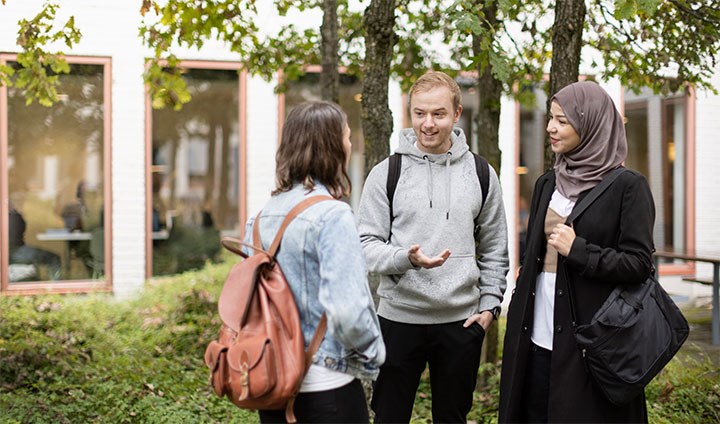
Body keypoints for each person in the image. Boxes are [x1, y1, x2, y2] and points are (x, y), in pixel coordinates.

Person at [357, 70, 509, 423]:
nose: (428, 124)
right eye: (420, 113)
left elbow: (495, 247)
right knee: (389, 417)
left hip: (461, 321)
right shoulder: (387, 173)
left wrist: (489, 307)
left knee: (452, 418)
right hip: (398, 318)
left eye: (438, 114)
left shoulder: (481, 174)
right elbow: (365, 245)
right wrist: (405, 258)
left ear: (456, 114)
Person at [499, 81, 655, 423]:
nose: (551, 128)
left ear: (591, 124)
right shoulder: (548, 182)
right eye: (551, 118)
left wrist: (580, 251)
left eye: (563, 121)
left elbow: (640, 264)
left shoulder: (628, 187)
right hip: (536, 334)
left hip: (592, 344)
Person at [246, 100, 385, 423]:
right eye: (348, 137)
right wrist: (376, 354)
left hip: (273, 384)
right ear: (332, 148)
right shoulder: (332, 215)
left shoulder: (260, 218)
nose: (351, 145)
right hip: (327, 386)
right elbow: (349, 312)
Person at [9, 201, 61, 281]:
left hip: (11, 253)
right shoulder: (12, 217)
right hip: (17, 252)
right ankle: (56, 286)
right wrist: (14, 211)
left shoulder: (11, 217)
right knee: (54, 258)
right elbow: (20, 229)